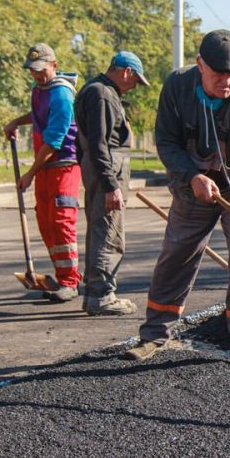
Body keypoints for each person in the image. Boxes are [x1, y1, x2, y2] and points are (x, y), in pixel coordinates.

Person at [124, 30, 230, 366]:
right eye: (219, 75)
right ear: (200, 65)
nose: (227, 83)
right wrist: (192, 176)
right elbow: (166, 142)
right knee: (177, 251)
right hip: (192, 183)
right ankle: (154, 335)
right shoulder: (177, 87)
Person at [3, 43, 81, 302]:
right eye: (32, 70)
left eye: (41, 69)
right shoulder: (40, 89)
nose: (36, 74)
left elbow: (54, 141)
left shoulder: (61, 95)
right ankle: (60, 278)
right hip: (46, 167)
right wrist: (17, 121)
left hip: (63, 168)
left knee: (61, 223)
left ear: (54, 65)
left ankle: (70, 282)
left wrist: (29, 174)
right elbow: (37, 116)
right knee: (46, 223)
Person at [74, 51, 149, 316]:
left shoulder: (95, 90)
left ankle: (96, 291)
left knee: (100, 229)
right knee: (108, 232)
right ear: (126, 71)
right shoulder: (102, 94)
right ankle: (102, 296)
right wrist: (110, 185)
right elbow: (99, 143)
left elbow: (87, 143)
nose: (134, 86)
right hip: (107, 170)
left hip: (99, 168)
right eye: (135, 80)